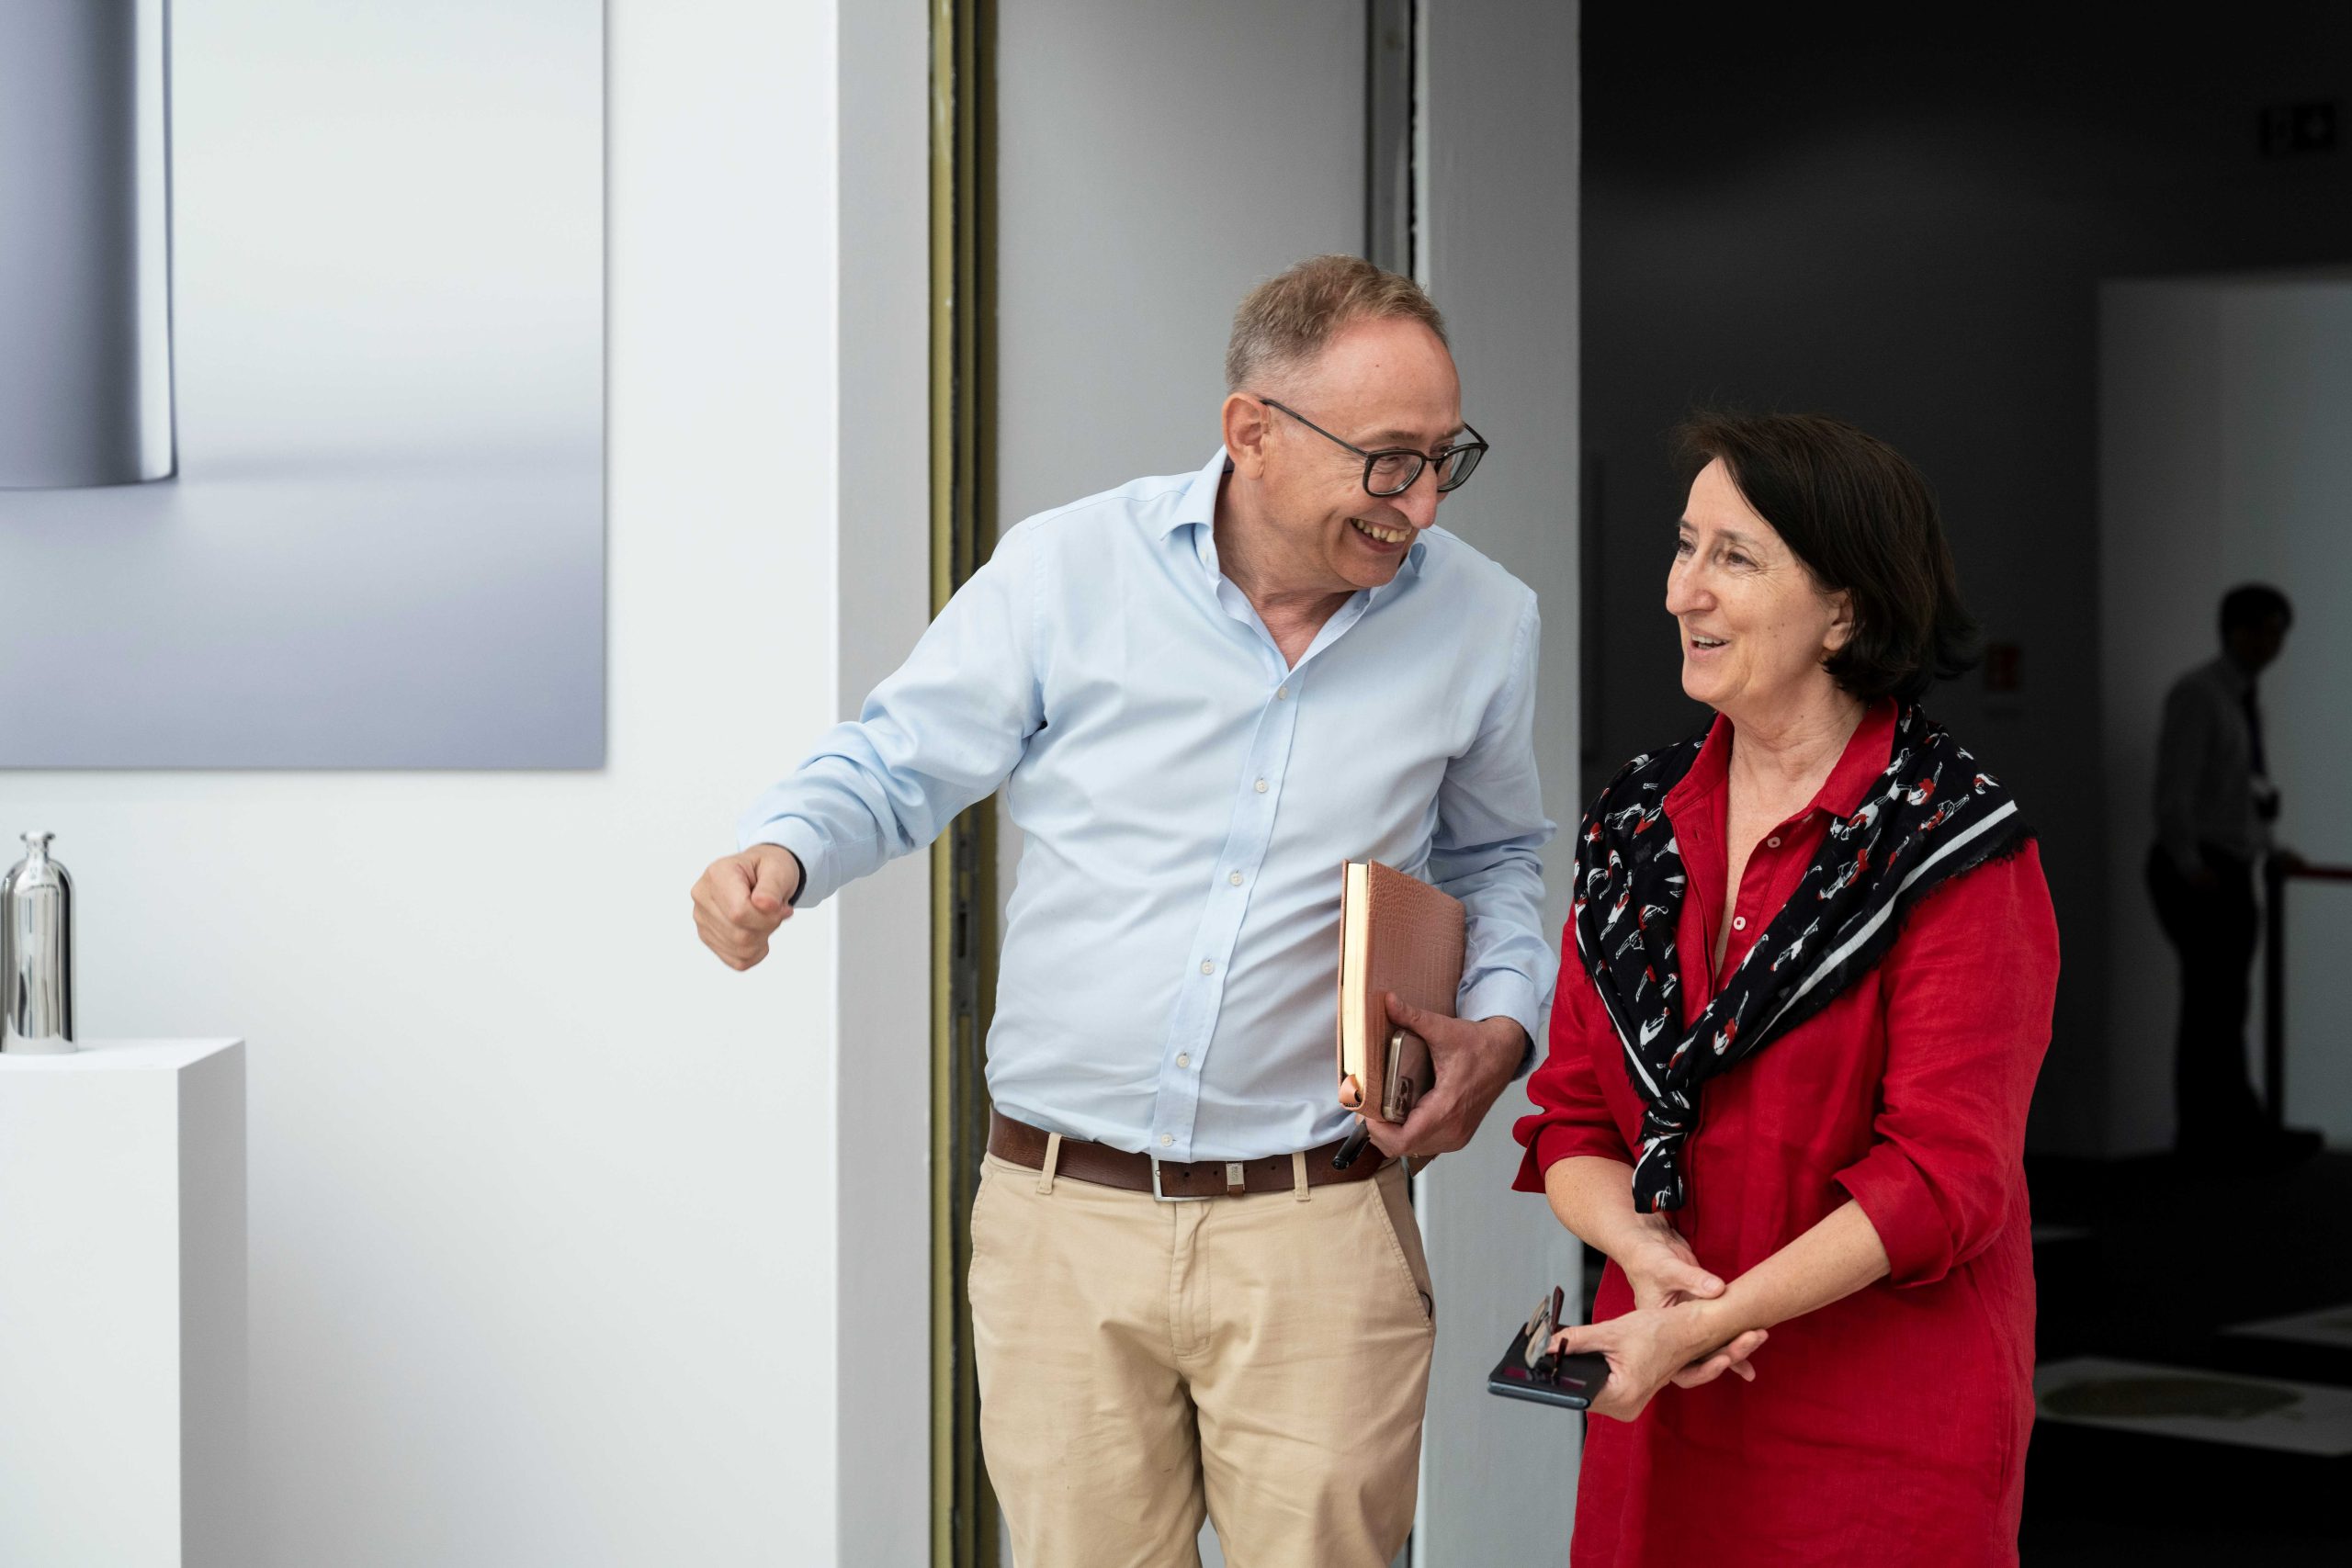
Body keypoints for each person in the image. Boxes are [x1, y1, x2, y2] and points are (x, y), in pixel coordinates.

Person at [691, 254, 1553, 1567]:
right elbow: (898, 760)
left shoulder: (1484, 620)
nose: (1421, 505)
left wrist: (1500, 1024)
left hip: (1319, 1222)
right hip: (1060, 1222)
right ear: (1252, 431)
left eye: (1445, 459)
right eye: (1389, 463)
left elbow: (1495, 859)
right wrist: (782, 851)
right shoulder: (1067, 569)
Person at [1513, 413, 2059, 1566]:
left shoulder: (1955, 849)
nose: (1681, 591)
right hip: (1660, 1394)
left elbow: (1943, 1179)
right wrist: (1643, 1255)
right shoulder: (1633, 823)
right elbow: (1571, 1115)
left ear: (1844, 612)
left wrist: (1713, 1315)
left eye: (1734, 557)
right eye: (1684, 546)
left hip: (1878, 1432)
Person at [2147, 584, 2322, 1164]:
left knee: (2223, 1001)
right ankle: (2213, 1134)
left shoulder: (2241, 700)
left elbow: (2243, 793)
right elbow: (2175, 790)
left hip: (2227, 864)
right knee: (2213, 1002)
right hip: (2203, 867)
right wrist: (2190, 864)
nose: (2273, 643)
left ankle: (2231, 1129)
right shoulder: (2201, 696)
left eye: (2278, 631)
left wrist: (2270, 848)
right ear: (2235, 631)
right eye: (2264, 629)